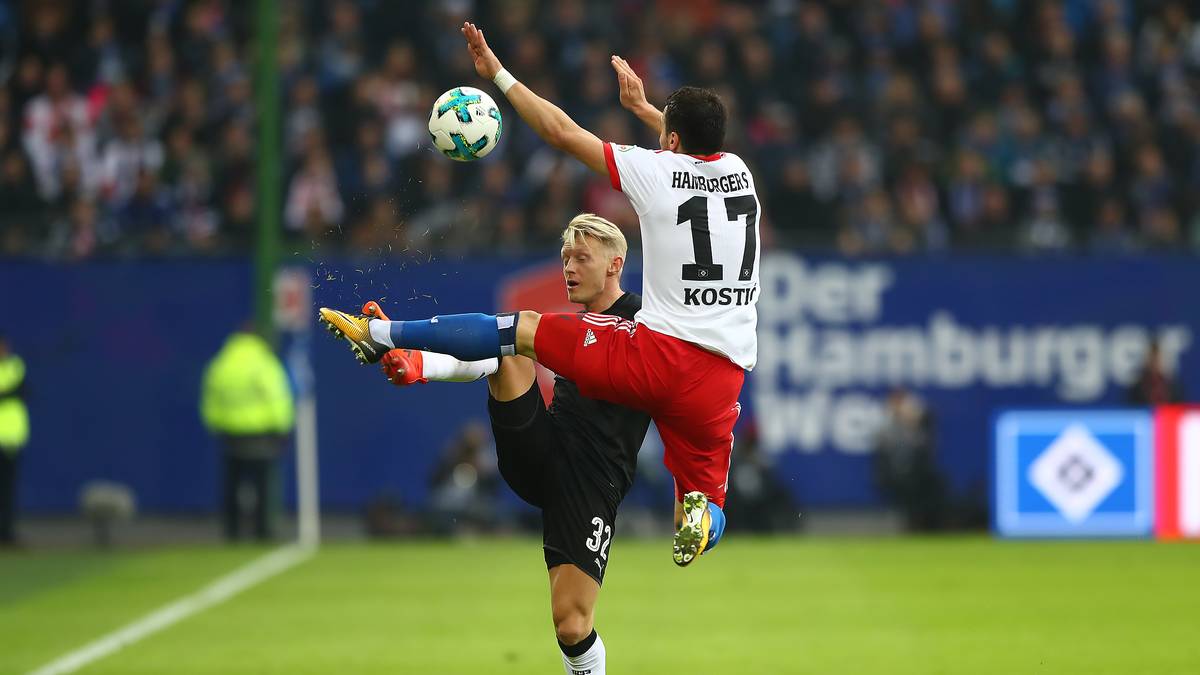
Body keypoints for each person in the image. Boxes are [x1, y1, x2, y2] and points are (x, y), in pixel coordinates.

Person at [320, 21, 760, 578]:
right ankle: (705, 523)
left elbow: (560, 131)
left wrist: (497, 74)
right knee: (702, 507)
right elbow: (695, 150)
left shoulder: (655, 173)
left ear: (670, 141)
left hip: (660, 354)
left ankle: (380, 334)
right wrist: (651, 113)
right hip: (721, 379)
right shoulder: (741, 175)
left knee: (520, 330)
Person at [368, 214, 652, 675]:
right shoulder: (572, 325)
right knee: (511, 341)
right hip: (541, 450)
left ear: (615, 264)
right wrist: (422, 364)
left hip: (593, 479)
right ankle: (416, 360)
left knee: (572, 624)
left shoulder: (645, 321)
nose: (570, 268)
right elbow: (491, 354)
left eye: (582, 258)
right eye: (565, 259)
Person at [200, 325, 294, 541]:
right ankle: (261, 530)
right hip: (260, 432)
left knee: (232, 484)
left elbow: (211, 397)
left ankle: (232, 530)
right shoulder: (263, 362)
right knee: (261, 484)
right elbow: (277, 396)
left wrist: (215, 423)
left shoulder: (221, 363)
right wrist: (283, 426)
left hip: (230, 433)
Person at [0, 335, 30, 545]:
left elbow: (25, 391)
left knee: (8, 489)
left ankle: (7, 533)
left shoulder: (16, 366)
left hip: (10, 439)